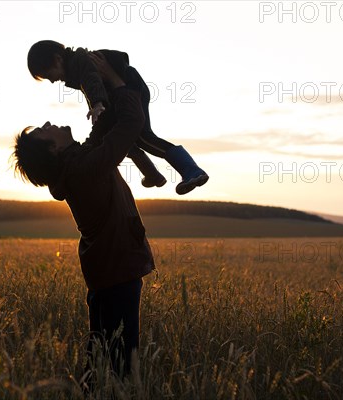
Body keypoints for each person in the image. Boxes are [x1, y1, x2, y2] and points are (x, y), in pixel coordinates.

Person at [11, 53, 155, 385]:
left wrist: (100, 104)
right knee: (121, 359)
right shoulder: (83, 170)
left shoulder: (76, 165)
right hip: (118, 268)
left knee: (101, 351)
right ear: (53, 150)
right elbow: (130, 127)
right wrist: (118, 84)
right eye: (45, 132)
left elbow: (102, 135)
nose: (49, 124)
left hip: (107, 269)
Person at [27, 40, 209, 195]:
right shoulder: (75, 69)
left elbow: (92, 80)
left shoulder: (80, 61)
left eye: (49, 75)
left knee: (144, 137)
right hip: (118, 96)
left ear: (58, 59)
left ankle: (191, 170)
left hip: (129, 88)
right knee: (122, 138)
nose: (51, 81)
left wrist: (97, 103)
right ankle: (152, 174)